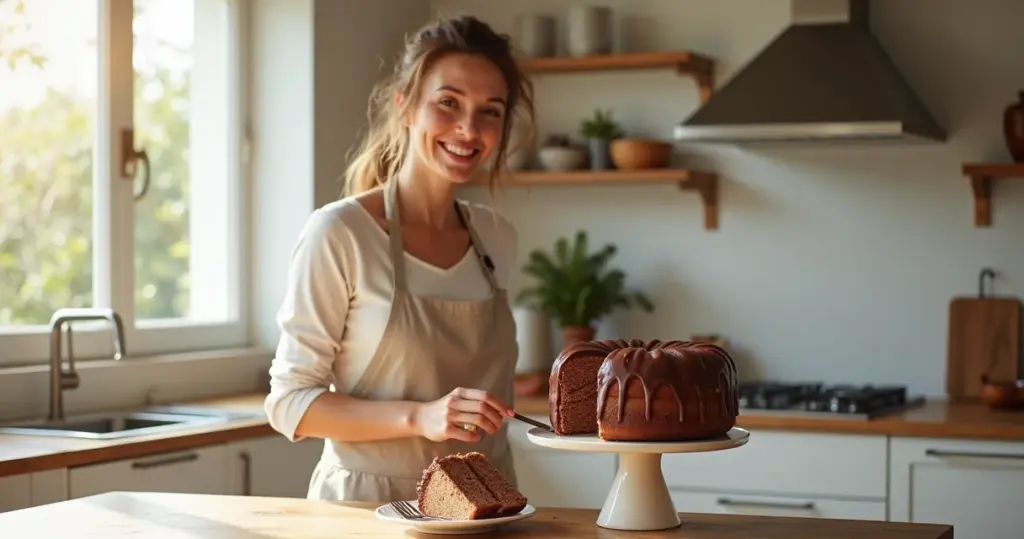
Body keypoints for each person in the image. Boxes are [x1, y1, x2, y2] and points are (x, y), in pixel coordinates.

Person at [263, 15, 536, 503]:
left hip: (486, 505)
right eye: (448, 103)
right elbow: (290, 404)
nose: (468, 128)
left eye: (490, 112)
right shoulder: (341, 233)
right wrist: (420, 416)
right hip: (366, 508)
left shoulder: (497, 237)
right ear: (405, 106)